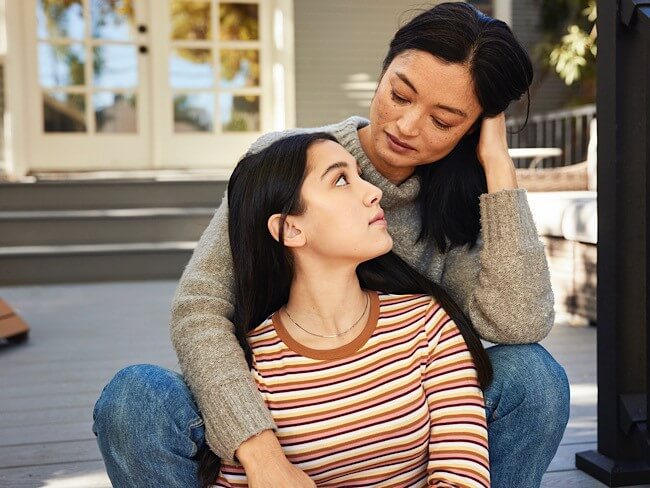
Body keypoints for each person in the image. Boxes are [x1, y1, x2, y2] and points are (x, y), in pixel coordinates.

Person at [92, 3, 569, 487]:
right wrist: (261, 454)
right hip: (276, 406)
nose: (406, 126)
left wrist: (499, 171)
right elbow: (200, 307)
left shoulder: (464, 205)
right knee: (135, 400)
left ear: (472, 129)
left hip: (403, 415)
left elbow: (518, 322)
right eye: (399, 94)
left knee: (534, 378)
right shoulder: (288, 163)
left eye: (443, 121)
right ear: (383, 72)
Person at [198, 132, 491, 487]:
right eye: (340, 180)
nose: (374, 192)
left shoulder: (426, 323)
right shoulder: (250, 370)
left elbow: (463, 478)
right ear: (291, 229)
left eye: (360, 176)